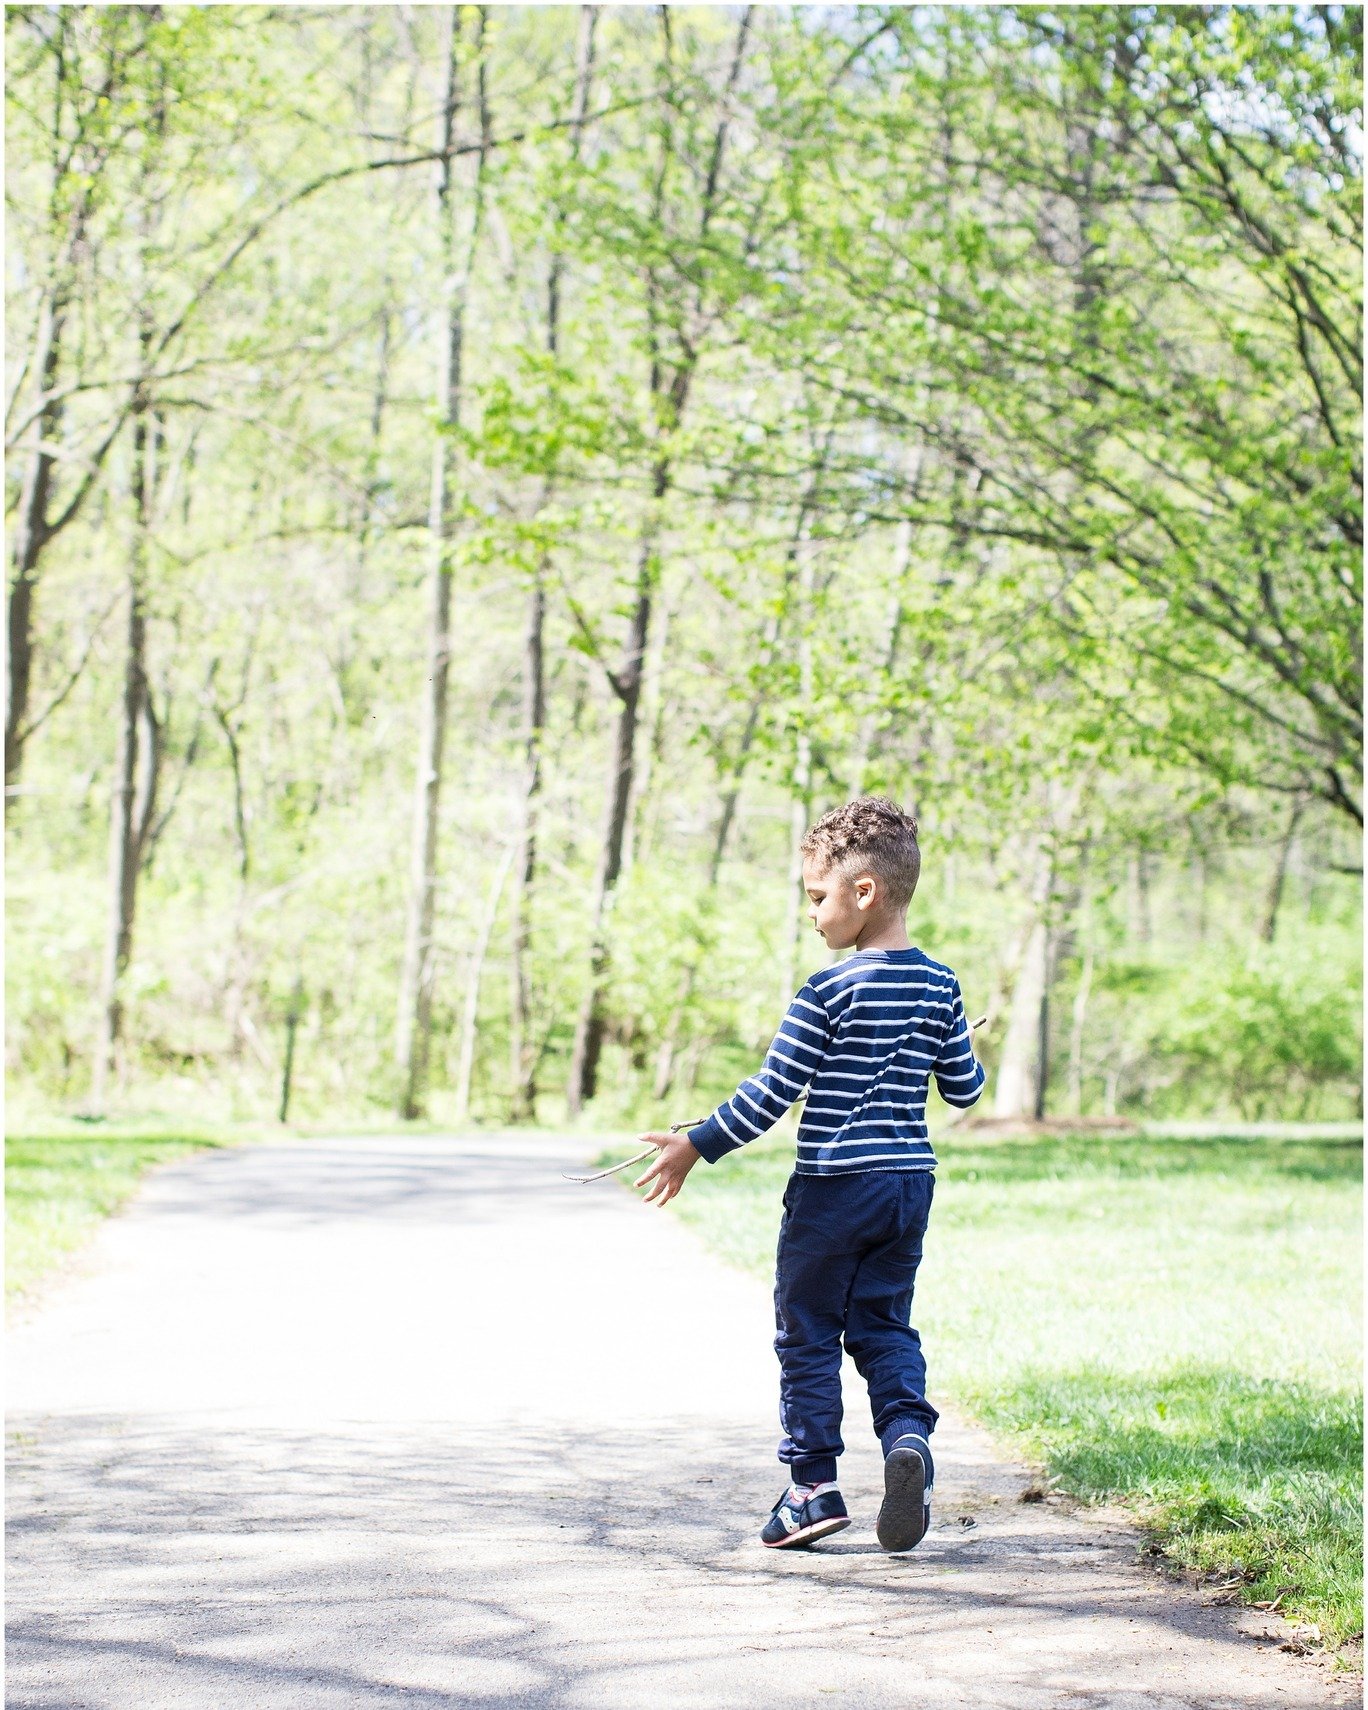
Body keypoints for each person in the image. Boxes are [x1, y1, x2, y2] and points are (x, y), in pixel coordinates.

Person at [634, 796, 985, 1551]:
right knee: (884, 1324)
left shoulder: (825, 992)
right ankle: (905, 1441)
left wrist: (697, 1143)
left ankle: (812, 1490)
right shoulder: (940, 985)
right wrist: (959, 1036)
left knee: (809, 1334)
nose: (812, 914)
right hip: (907, 1190)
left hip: (832, 1191)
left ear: (866, 893)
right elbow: (964, 1090)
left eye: (817, 897)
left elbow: (770, 1094)